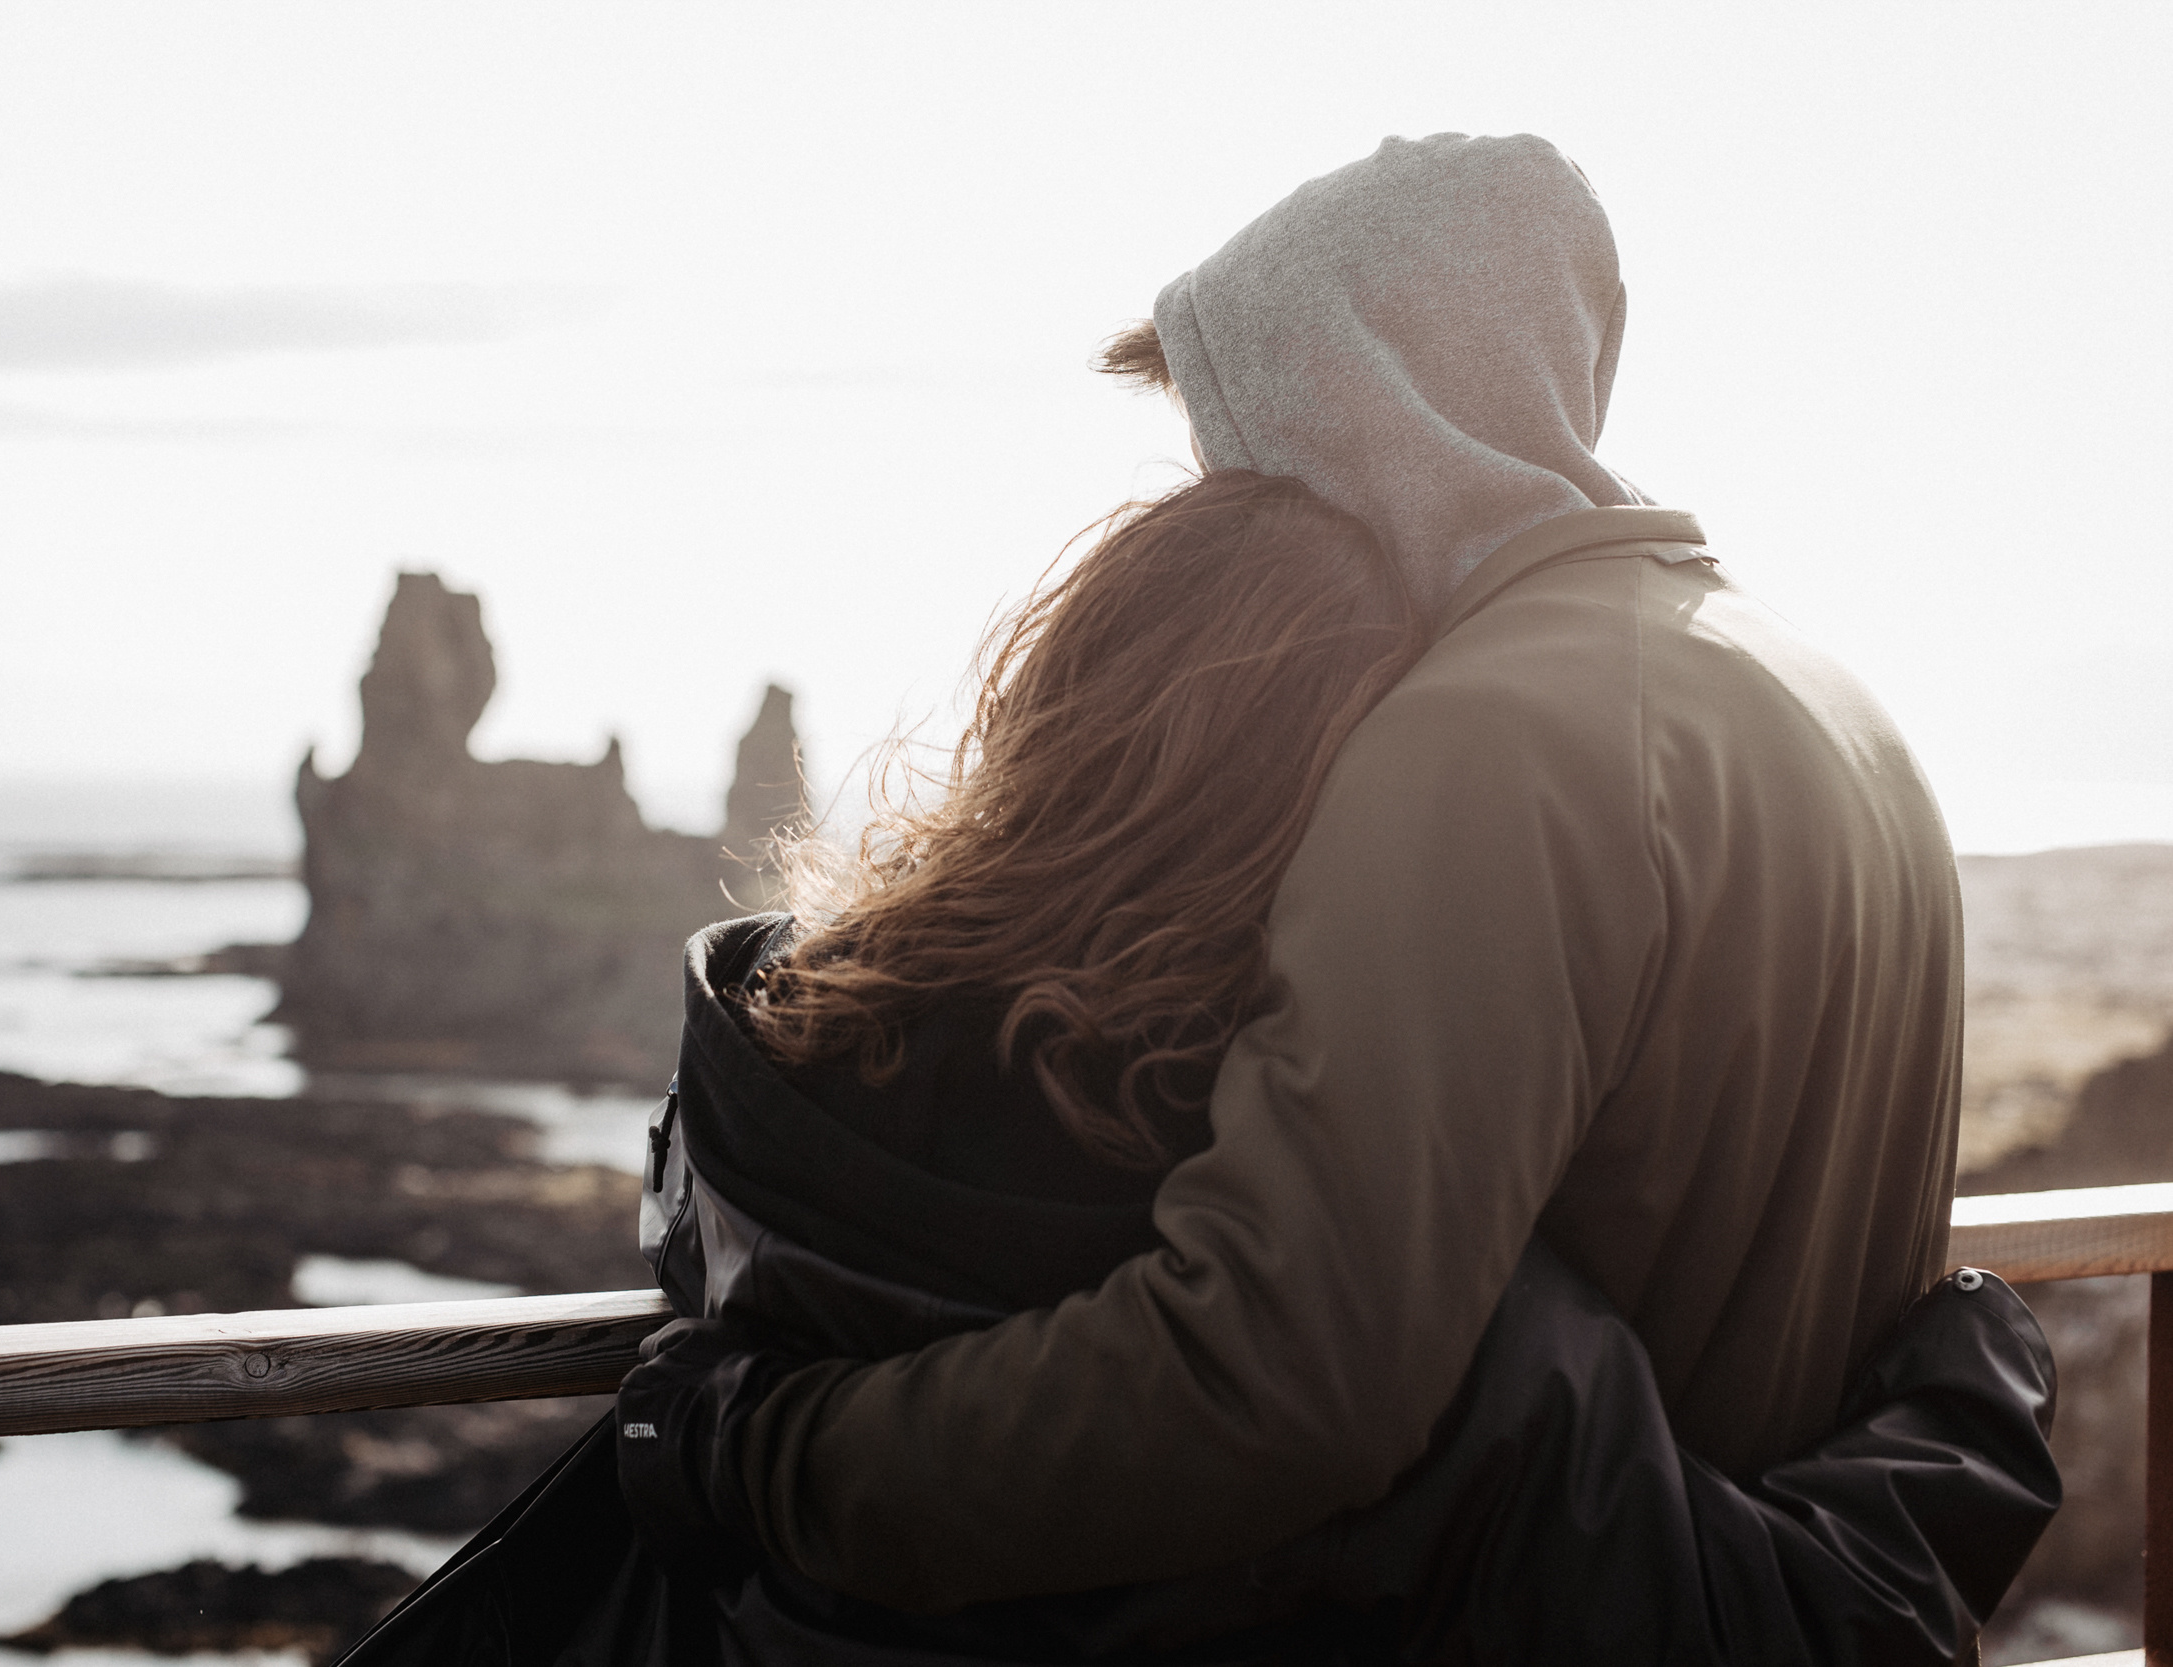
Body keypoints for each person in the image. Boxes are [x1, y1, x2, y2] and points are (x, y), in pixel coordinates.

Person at [613, 134, 2036, 1638]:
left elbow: (1278, 1373)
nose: (1216, 494)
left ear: (1353, 408)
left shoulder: (1495, 739)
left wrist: (766, 1453)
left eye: (1229, 429)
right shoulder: (1819, 693)